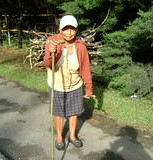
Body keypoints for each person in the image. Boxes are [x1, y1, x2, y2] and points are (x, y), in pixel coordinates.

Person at [44, 15, 93, 150]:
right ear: (60, 29)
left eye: (72, 29)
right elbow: (48, 64)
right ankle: (59, 137)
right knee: (58, 112)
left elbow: (85, 68)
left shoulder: (80, 46)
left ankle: (72, 136)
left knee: (74, 112)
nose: (69, 32)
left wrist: (88, 88)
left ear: (76, 30)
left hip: (75, 85)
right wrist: (51, 53)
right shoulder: (52, 42)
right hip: (57, 84)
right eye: (66, 29)